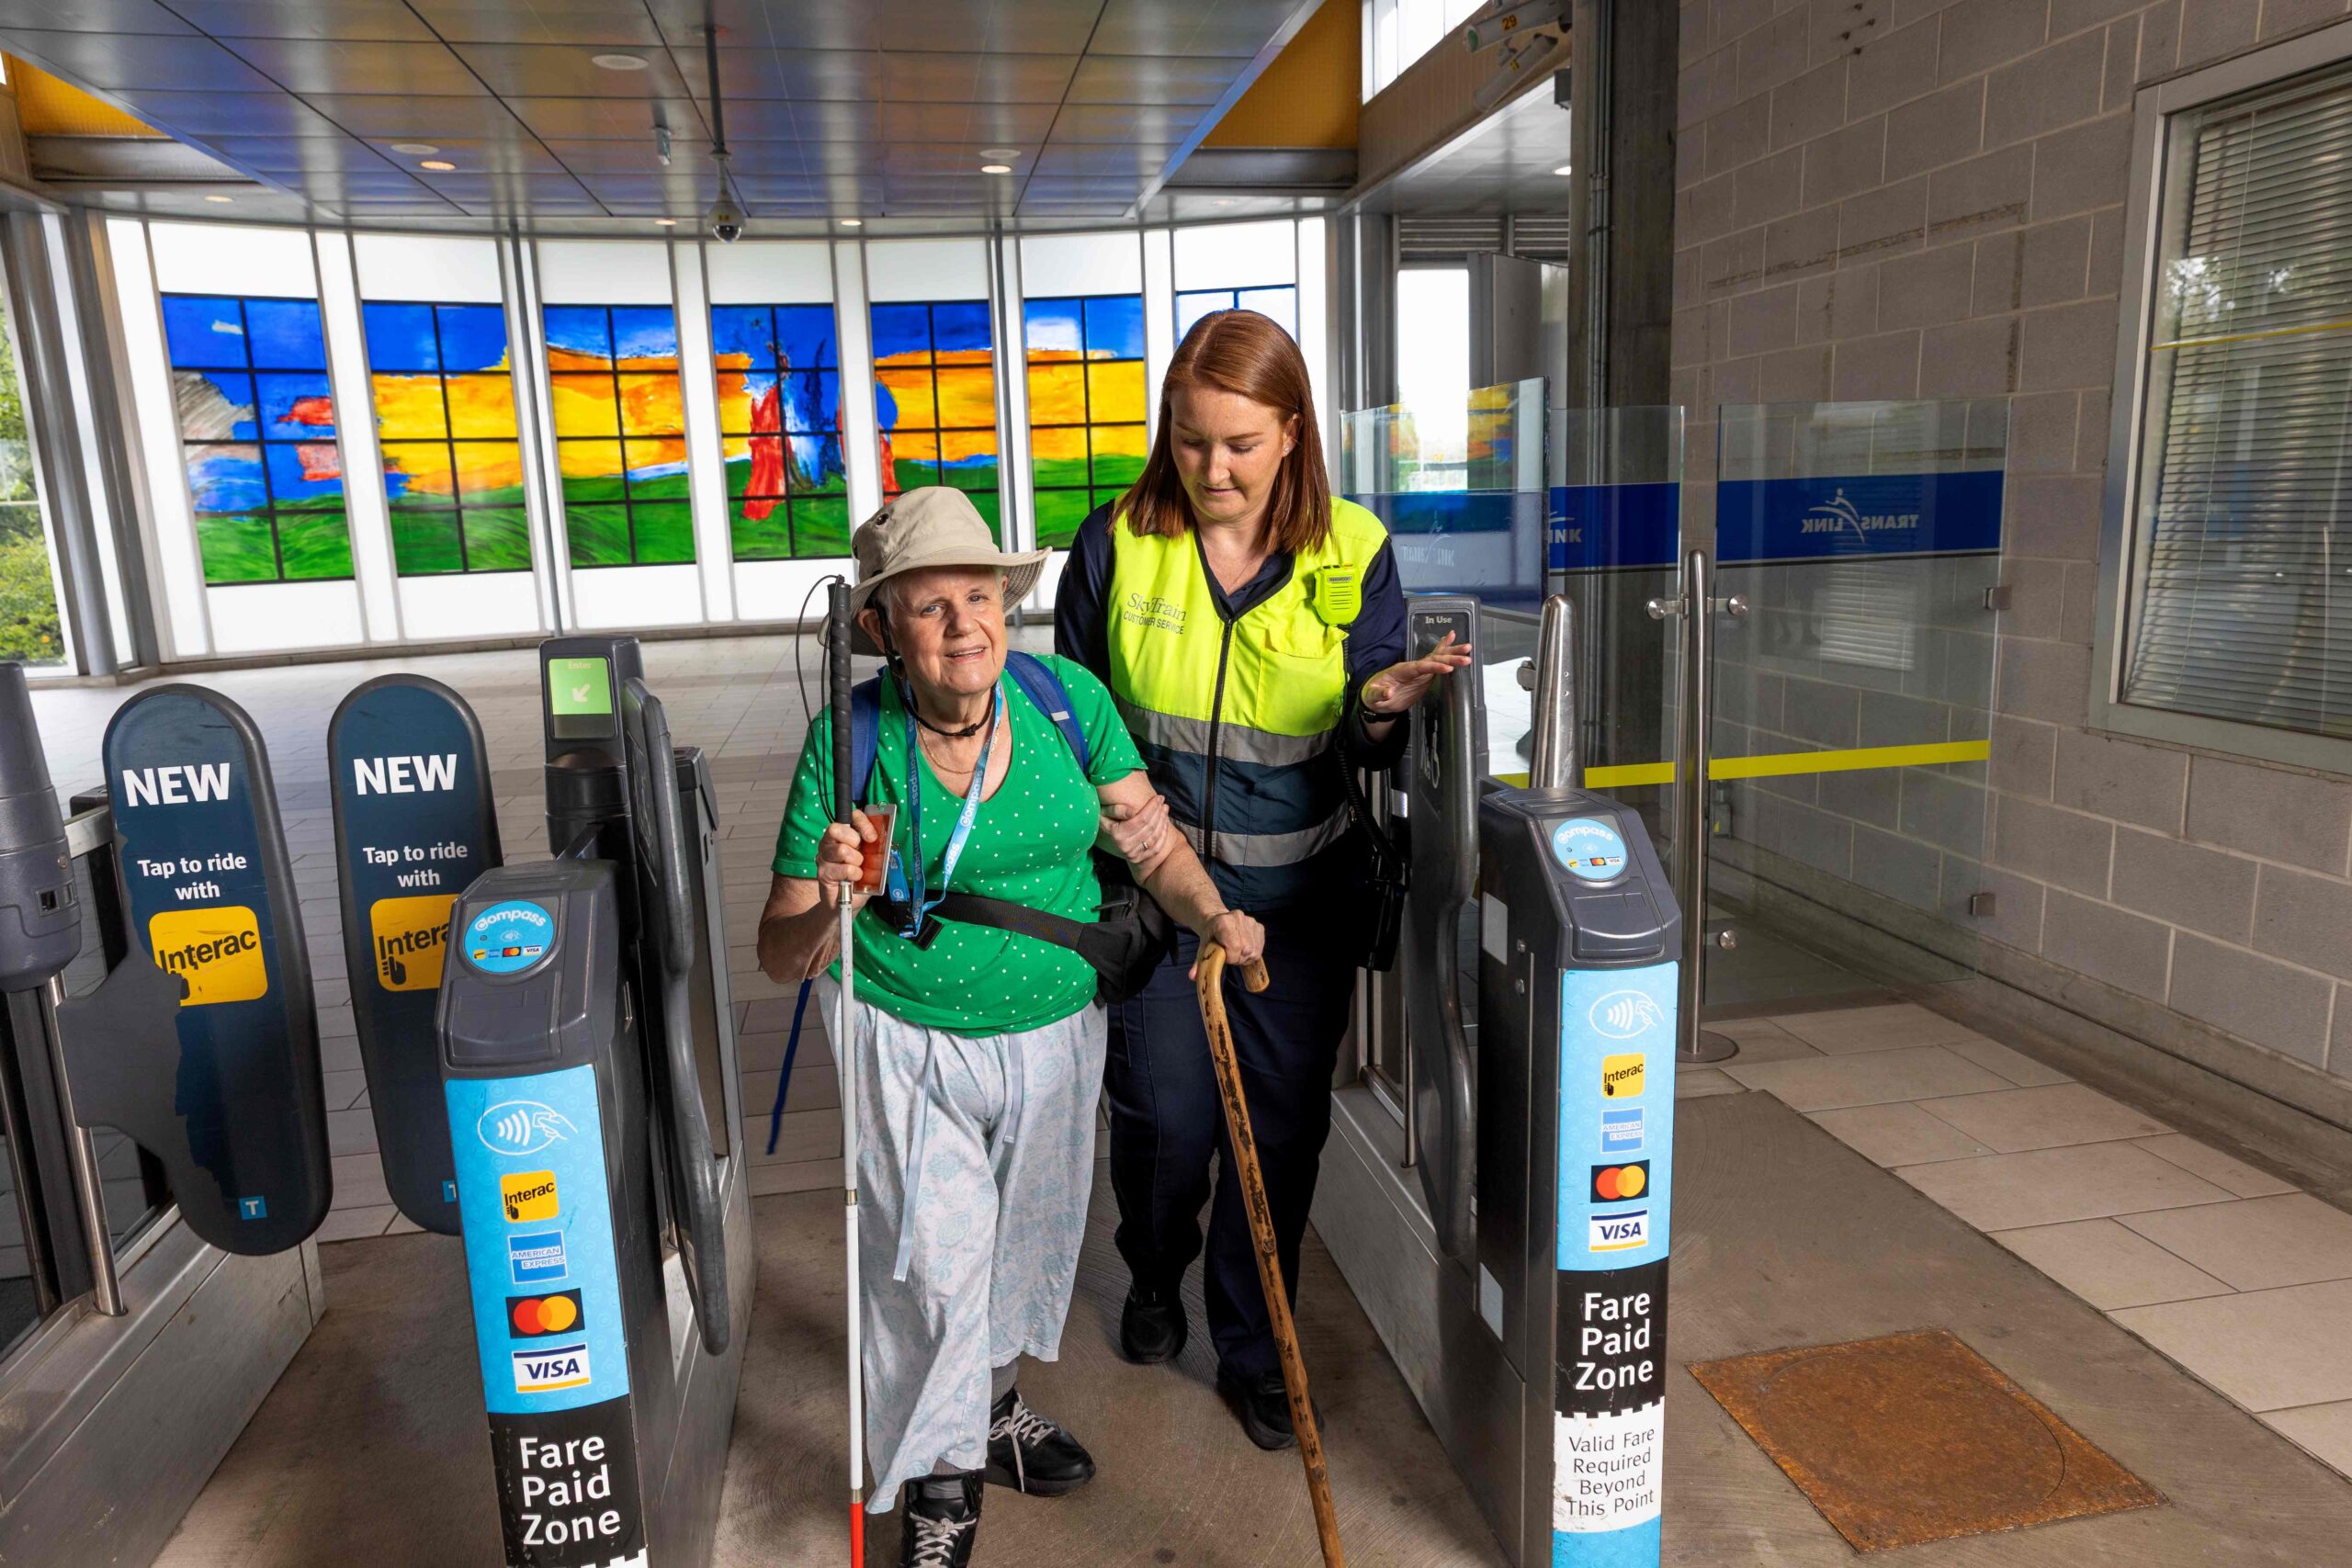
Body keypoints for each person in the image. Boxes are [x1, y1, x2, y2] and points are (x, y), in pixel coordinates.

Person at [757, 487, 1264, 1567]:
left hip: (1054, 1035)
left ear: (1006, 604)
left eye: (978, 596)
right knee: (935, 1269)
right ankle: (944, 1489)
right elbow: (778, 951)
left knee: (1020, 1249)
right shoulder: (849, 742)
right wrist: (831, 900)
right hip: (906, 1038)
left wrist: (1216, 915)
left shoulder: (1065, 700)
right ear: (883, 626)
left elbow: (1150, 845)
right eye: (929, 606)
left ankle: (988, 1413)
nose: (963, 627)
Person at [1055, 310, 1472, 1450]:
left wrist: (1381, 710)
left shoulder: (1351, 548)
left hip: (1297, 908)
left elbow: (1365, 735)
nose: (1213, 469)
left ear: (1291, 431)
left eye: (1238, 443)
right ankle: (1153, 1265)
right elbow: (1076, 727)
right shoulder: (1115, 544)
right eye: (1190, 441)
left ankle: (1253, 1348)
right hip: (1155, 901)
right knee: (1165, 1126)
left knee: (1277, 1139)